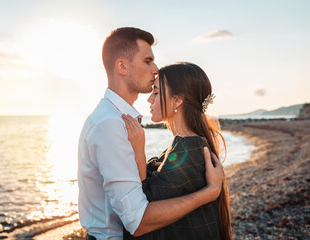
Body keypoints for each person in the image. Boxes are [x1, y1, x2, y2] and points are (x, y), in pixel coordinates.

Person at [78, 27, 223, 240]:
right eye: (147, 61)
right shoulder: (110, 123)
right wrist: (209, 193)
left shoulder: (117, 120)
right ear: (122, 66)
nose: (155, 69)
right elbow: (138, 219)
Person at [122, 62, 231, 239]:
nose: (150, 99)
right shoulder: (185, 145)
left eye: (156, 92)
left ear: (178, 100)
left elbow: (141, 209)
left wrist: (138, 148)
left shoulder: (188, 147)